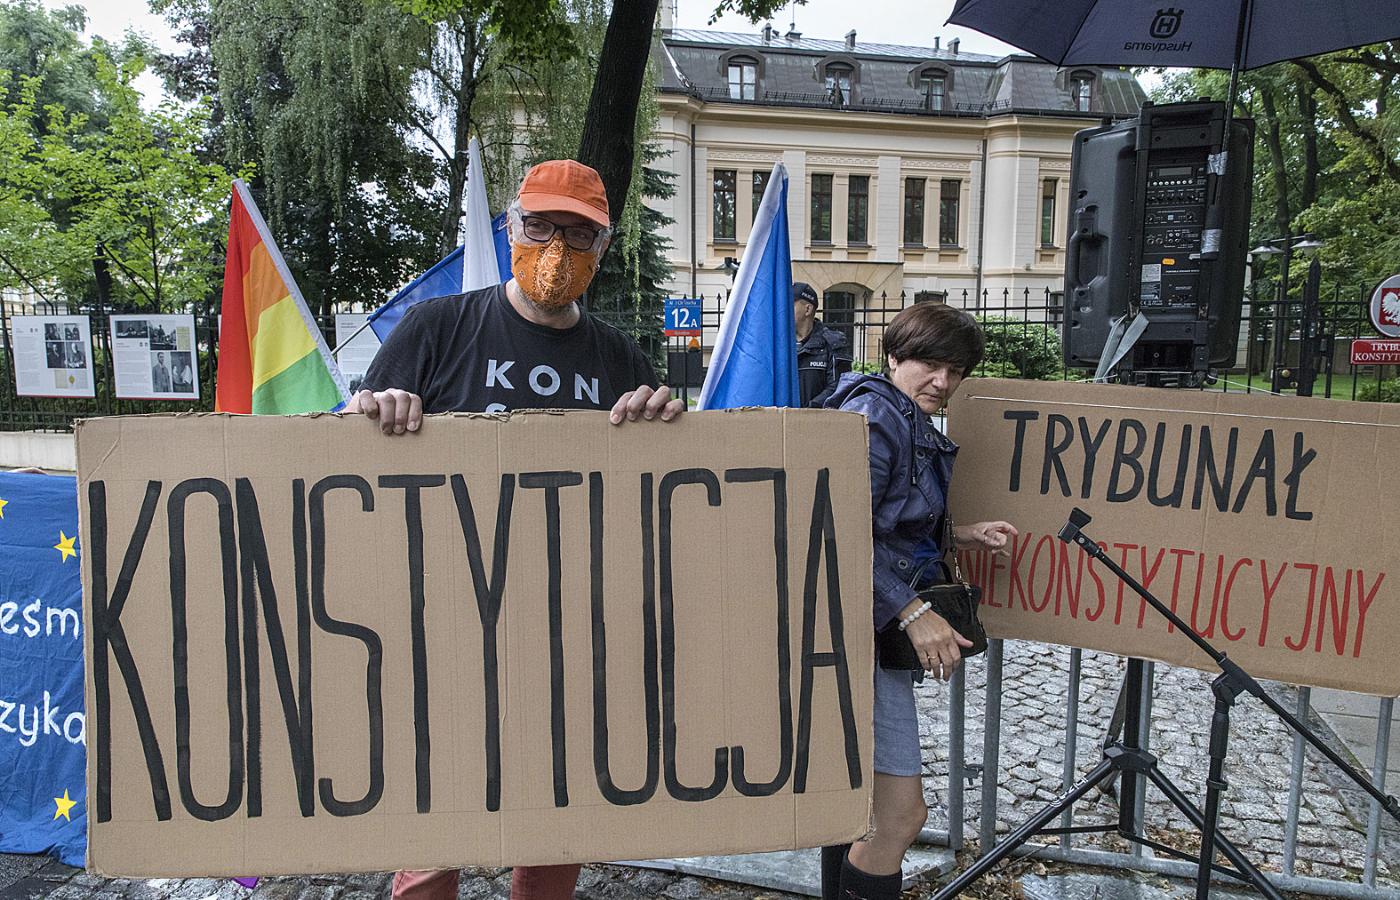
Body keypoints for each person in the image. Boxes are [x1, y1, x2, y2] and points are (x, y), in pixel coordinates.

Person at [350, 159, 684, 900]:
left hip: (567, 627)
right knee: (437, 813)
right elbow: (347, 458)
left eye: (578, 233)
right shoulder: (438, 327)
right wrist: (371, 413)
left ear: (603, 246)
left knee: (557, 809)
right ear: (510, 227)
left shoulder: (618, 358)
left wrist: (665, 430)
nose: (555, 248)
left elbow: (651, 494)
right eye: (539, 226)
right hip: (444, 623)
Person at [820, 302, 1017, 900]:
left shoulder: (896, 412)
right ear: (893, 356)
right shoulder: (876, 417)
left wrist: (962, 534)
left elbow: (886, 519)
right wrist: (911, 610)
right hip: (866, 631)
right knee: (901, 818)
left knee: (854, 808)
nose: (942, 381)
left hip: (859, 625)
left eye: (955, 371)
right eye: (930, 364)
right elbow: (835, 529)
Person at [794, 282, 852, 408]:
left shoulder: (832, 343)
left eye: (789, 304)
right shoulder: (778, 345)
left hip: (818, 418)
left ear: (807, 309)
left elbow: (839, 388)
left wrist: (807, 410)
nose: (782, 310)